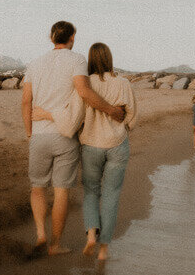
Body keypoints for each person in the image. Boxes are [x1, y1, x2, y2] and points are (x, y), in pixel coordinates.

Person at [21, 21, 125, 256]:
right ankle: (55, 245)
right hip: (64, 135)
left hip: (38, 134)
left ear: (51, 37)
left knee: (37, 188)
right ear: (72, 38)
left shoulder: (34, 64)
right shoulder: (77, 60)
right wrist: (111, 111)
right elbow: (84, 92)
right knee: (61, 192)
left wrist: (29, 132)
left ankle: (40, 234)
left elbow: (26, 101)